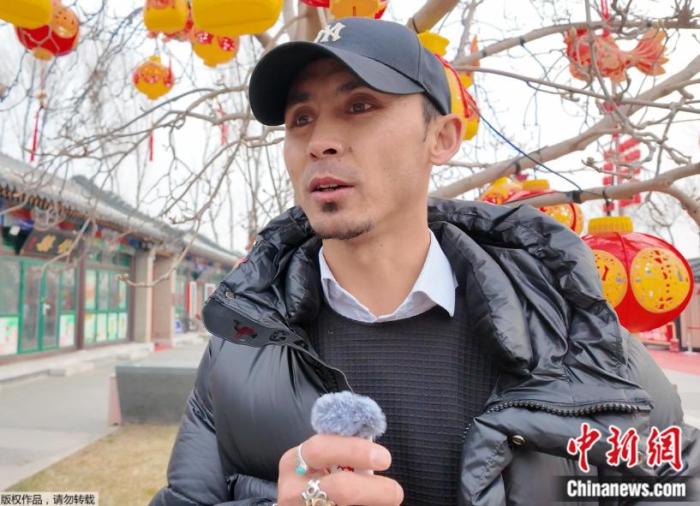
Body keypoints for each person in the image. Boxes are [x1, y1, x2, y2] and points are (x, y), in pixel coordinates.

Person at [150, 17, 699, 506]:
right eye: (301, 118)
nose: (320, 141)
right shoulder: (242, 350)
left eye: (359, 106)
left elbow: (679, 481)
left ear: (442, 138)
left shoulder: (570, 333)